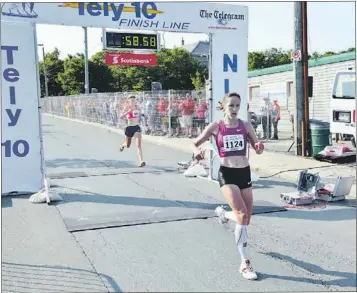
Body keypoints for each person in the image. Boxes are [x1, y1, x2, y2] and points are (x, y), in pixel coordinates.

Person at [191, 92, 264, 280]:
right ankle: (245, 263)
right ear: (223, 106)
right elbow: (194, 143)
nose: (234, 109)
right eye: (231, 105)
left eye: (237, 106)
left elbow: (256, 145)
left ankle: (223, 214)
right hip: (227, 173)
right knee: (241, 214)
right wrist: (197, 151)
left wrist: (259, 146)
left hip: (244, 172)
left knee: (246, 218)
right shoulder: (216, 127)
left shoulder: (245, 126)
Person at [119, 96, 146, 167]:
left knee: (138, 145)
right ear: (129, 102)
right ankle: (122, 145)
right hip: (129, 128)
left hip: (136, 127)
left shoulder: (137, 107)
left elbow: (141, 114)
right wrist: (128, 112)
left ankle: (141, 161)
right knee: (128, 145)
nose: (133, 102)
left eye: (134, 100)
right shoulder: (126, 108)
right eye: (131, 101)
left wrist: (141, 113)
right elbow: (121, 117)